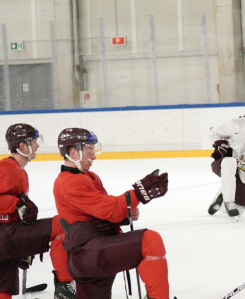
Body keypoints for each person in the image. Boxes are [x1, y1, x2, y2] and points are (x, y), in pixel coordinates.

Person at [53, 128, 170, 299]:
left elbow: (103, 211)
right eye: (88, 150)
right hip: (88, 254)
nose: (93, 156)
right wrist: (139, 192)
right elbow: (112, 210)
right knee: (150, 241)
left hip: (92, 252)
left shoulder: (90, 177)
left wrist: (122, 217)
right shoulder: (68, 182)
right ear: (73, 153)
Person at [1, 124, 74, 299]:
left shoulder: (20, 171)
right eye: (33, 142)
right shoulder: (7, 167)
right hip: (5, 235)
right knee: (60, 225)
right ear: (22, 146)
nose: (37, 146)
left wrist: (24, 244)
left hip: (7, 235)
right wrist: (18, 204)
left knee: (3, 288)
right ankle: (64, 286)